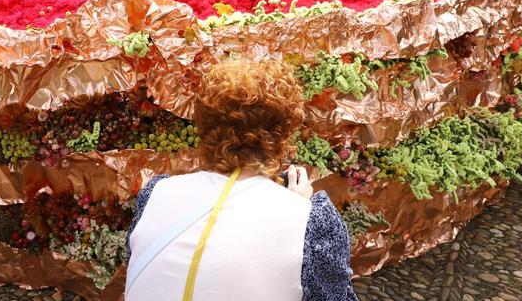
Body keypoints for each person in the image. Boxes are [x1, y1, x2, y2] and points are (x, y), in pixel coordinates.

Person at [125, 59, 357, 301]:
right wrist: (302, 211)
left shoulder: (156, 192)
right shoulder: (311, 219)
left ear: (204, 128)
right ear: (285, 135)